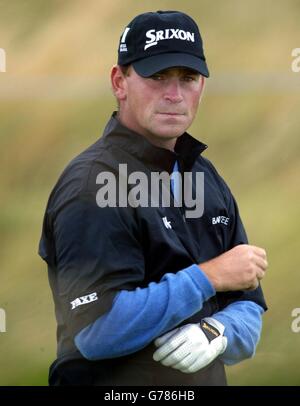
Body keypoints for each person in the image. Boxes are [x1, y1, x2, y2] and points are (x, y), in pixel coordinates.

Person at [39, 10, 268, 386]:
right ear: (119, 81)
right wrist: (206, 278)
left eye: (188, 78)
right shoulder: (91, 185)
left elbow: (248, 307)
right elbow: (96, 331)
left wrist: (219, 330)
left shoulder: (204, 175)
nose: (174, 95)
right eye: (157, 76)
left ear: (202, 86)